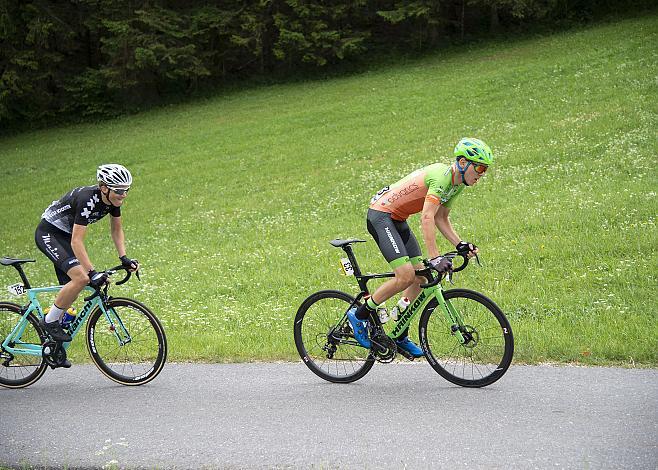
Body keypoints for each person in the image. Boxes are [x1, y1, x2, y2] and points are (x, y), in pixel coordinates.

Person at [347, 138, 494, 357]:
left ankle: (398, 333)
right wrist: (434, 257)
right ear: (463, 162)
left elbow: (441, 217)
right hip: (381, 216)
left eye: (485, 170)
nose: (481, 174)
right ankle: (359, 315)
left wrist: (460, 244)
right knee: (406, 276)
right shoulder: (442, 178)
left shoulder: (457, 184)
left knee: (423, 277)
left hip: (398, 219)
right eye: (479, 168)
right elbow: (427, 217)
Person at [35, 164, 139, 362]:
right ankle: (49, 321)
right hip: (49, 233)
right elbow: (76, 241)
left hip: (65, 236)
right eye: (119, 190)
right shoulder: (87, 200)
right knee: (81, 278)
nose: (123, 194)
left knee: (76, 287)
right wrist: (92, 272)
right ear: (103, 187)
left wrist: (124, 258)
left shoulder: (113, 200)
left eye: (127, 189)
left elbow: (116, 231)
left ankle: (54, 349)